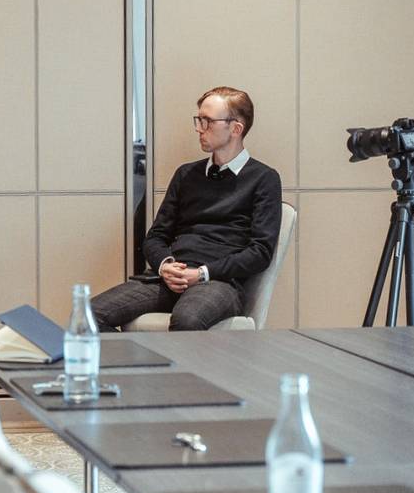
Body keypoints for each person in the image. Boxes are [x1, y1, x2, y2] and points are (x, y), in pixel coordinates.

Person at [92, 86, 282, 331]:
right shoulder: (186, 174)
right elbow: (156, 237)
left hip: (218, 281)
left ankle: (178, 371)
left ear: (236, 129)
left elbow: (260, 252)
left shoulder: (264, 178)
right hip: (170, 276)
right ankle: (136, 369)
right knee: (89, 316)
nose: (198, 128)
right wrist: (165, 265)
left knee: (187, 320)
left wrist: (202, 273)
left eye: (207, 121)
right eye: (198, 120)